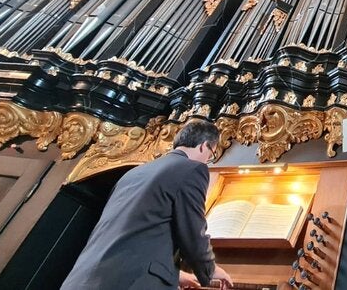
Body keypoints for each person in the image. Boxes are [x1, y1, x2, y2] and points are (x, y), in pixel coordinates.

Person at [61, 120, 234, 290]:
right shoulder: (192, 169)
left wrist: (174, 276)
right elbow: (192, 228)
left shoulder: (133, 173)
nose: (207, 160)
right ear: (204, 146)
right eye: (211, 155)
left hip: (86, 277)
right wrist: (210, 269)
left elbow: (133, 232)